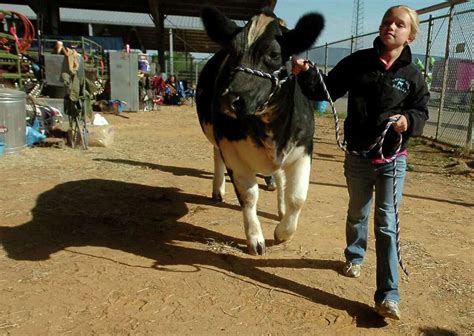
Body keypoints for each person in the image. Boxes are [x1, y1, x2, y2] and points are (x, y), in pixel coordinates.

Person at [292, 5, 429, 320]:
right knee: (357, 211)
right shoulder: (358, 62)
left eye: (399, 24)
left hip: (393, 160)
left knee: (386, 224)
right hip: (357, 156)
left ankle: (388, 296)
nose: (390, 27)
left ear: (411, 35)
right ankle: (355, 255)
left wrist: (408, 120)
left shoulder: (412, 74)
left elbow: (421, 110)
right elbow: (327, 89)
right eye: (386, 22)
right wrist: (308, 74)